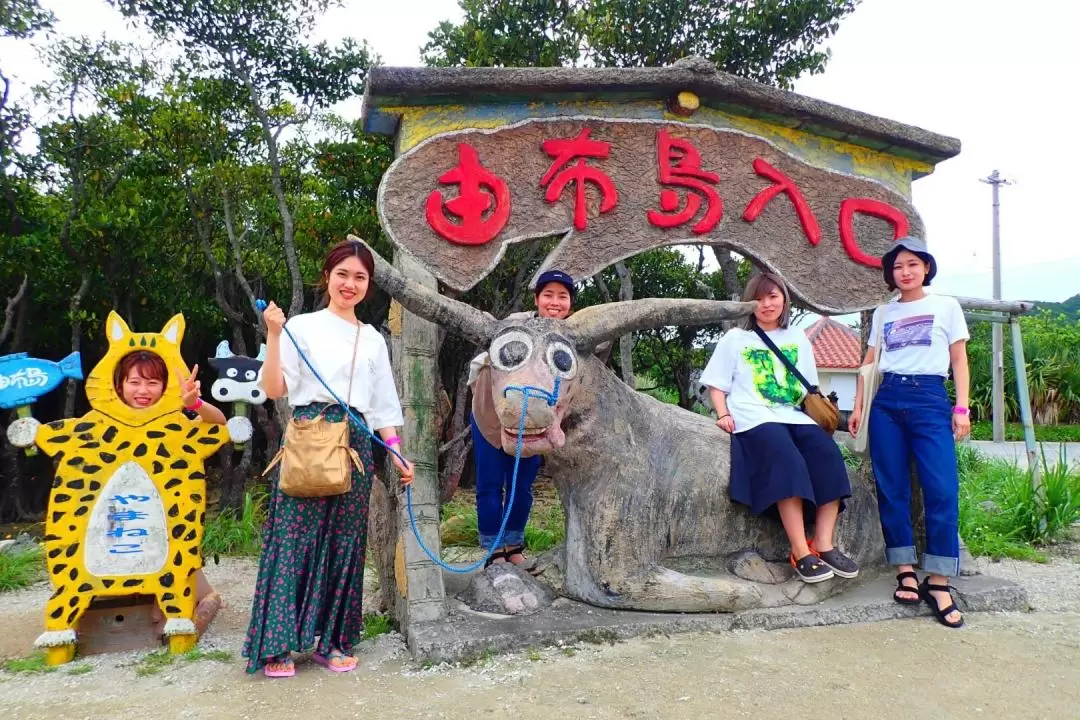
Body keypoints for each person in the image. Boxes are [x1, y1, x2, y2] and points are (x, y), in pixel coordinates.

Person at [243, 239, 414, 677]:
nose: (350, 284)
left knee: (344, 545)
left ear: (369, 284)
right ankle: (278, 646)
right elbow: (275, 389)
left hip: (355, 446)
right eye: (343, 274)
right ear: (327, 277)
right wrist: (274, 334)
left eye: (360, 277)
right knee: (294, 539)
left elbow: (382, 406)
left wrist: (395, 454)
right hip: (307, 438)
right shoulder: (300, 327)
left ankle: (332, 642)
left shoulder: (372, 339)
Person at [701, 272, 858, 583]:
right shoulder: (735, 339)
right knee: (787, 460)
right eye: (758, 298)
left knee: (827, 454)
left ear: (784, 299)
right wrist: (722, 414)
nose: (766, 304)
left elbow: (807, 388)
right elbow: (716, 385)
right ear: (749, 303)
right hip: (754, 416)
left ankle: (824, 544)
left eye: (773, 296)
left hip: (794, 415)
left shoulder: (797, 337)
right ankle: (801, 551)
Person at [848, 236, 970, 628]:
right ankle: (903, 567)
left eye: (913, 264)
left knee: (941, 489)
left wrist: (962, 407)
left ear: (926, 268)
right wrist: (859, 407)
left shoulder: (946, 306)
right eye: (898, 267)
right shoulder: (883, 313)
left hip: (930, 398)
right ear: (891, 274)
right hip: (887, 400)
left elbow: (958, 359)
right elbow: (869, 362)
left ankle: (938, 581)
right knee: (892, 486)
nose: (905, 272)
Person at [468, 270, 583, 573]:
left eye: (562, 296)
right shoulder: (514, 325)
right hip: (492, 415)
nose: (555, 302)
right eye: (548, 295)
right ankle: (493, 550)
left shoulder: (573, 335)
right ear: (536, 299)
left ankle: (514, 546)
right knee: (490, 484)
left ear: (570, 303)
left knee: (521, 485)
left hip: (537, 421)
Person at [114, 350, 227, 636]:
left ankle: (183, 597)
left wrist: (194, 403)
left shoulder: (173, 423)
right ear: (120, 385)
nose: (143, 391)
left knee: (175, 551)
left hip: (166, 516)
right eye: (135, 382)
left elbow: (219, 422)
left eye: (152, 383)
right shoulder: (107, 422)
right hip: (124, 518)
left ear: (164, 389)